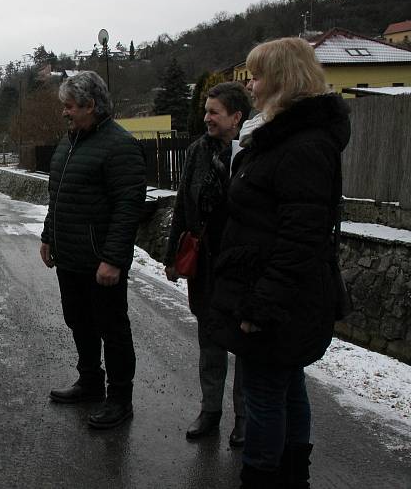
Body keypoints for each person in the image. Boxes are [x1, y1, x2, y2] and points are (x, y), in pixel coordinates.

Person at [208, 38, 350, 488]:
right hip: (273, 293)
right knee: (286, 387)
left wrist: (261, 307)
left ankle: (264, 478)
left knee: (266, 393)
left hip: (277, 300)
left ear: (284, 81)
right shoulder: (279, 135)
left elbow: (299, 239)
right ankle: (293, 478)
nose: (250, 84)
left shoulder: (301, 145)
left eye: (257, 75)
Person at [41, 71, 147, 429]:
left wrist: (113, 259)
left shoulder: (120, 146)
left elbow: (128, 207)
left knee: (112, 328)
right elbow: (58, 195)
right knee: (79, 321)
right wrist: (47, 235)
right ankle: (89, 382)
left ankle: (120, 398)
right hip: (69, 256)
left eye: (70, 107)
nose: (65, 113)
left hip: (100, 261)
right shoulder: (70, 142)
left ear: (92, 106)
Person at [164, 82, 251, 446]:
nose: (206, 118)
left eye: (214, 112)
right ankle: (210, 410)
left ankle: (245, 417)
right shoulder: (199, 150)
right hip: (206, 263)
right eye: (206, 111)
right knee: (210, 339)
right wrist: (172, 256)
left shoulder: (251, 151)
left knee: (245, 345)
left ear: (236, 117)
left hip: (243, 266)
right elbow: (184, 203)